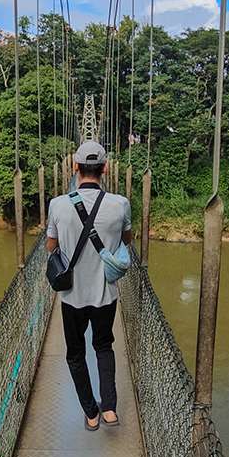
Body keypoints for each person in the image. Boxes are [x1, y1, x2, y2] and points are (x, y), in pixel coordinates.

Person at [46, 141, 132, 430]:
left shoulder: (58, 204)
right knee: (104, 346)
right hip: (106, 295)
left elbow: (50, 247)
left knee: (75, 354)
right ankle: (110, 410)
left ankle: (91, 413)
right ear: (105, 168)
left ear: (75, 167)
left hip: (71, 297)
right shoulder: (120, 204)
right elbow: (127, 240)